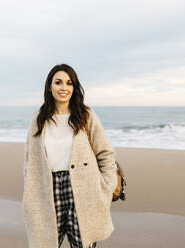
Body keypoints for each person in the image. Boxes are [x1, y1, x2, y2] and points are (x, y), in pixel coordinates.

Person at [22, 64, 118, 248]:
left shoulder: (86, 115)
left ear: (74, 88)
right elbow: (29, 163)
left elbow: (105, 153)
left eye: (68, 83)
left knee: (83, 244)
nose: (63, 88)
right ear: (50, 87)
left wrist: (106, 186)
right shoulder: (38, 120)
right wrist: (30, 195)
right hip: (48, 190)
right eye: (58, 82)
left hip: (83, 188)